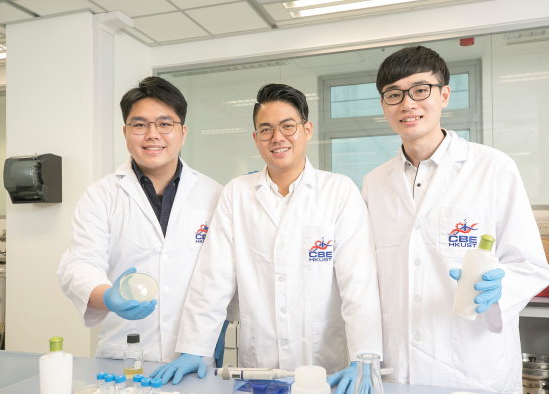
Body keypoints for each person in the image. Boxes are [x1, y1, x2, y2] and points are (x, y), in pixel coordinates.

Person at [151, 83, 382, 392]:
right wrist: (195, 346)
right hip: (258, 367)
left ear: (307, 129)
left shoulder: (338, 191)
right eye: (266, 129)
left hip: (326, 367)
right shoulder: (237, 193)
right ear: (255, 138)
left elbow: (360, 283)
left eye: (288, 126)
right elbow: (213, 276)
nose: (277, 138)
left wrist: (364, 358)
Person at [362, 46, 549, 393]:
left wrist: (499, 290)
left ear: (444, 95)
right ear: (383, 105)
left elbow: (529, 264)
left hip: (471, 365)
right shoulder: (374, 182)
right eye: (394, 95)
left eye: (420, 90)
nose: (407, 104)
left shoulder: (493, 168)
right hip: (397, 368)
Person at [57, 76, 227, 364]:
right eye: (139, 125)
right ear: (125, 132)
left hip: (195, 354)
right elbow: (79, 265)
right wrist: (109, 297)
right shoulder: (101, 196)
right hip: (124, 354)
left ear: (183, 132)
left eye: (165, 123)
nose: (152, 134)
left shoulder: (215, 194)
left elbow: (225, 273)